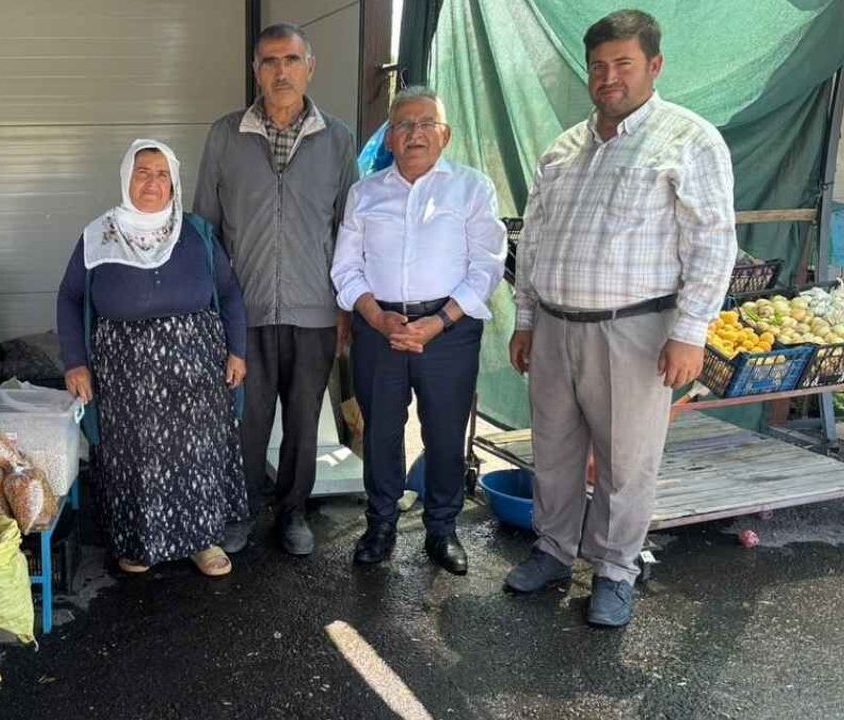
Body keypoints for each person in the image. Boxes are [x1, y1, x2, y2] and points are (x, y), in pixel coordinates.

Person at [507, 9, 737, 626]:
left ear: (654, 65)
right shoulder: (563, 149)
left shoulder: (688, 140)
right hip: (554, 325)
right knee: (553, 450)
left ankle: (614, 570)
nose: (609, 77)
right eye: (598, 66)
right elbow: (533, 241)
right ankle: (554, 549)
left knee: (626, 461)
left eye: (623, 64)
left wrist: (690, 332)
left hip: (635, 331)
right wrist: (525, 319)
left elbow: (713, 242)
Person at [194, 22, 359, 556]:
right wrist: (213, 308)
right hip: (245, 310)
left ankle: (292, 513)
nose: (280, 71)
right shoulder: (226, 135)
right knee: (246, 420)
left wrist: (346, 307)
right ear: (256, 70)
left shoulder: (337, 139)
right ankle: (240, 511)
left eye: (291, 59)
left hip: (315, 311)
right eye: (269, 61)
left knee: (304, 423)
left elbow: (350, 228)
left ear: (310, 67)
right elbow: (205, 229)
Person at [331, 87, 506, 574]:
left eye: (427, 123)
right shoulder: (366, 193)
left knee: (446, 434)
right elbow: (346, 267)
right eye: (404, 125)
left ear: (445, 135)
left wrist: (439, 321)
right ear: (389, 137)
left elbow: (487, 266)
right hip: (379, 329)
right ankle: (380, 524)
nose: (415, 133)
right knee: (381, 431)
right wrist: (375, 316)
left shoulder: (472, 189)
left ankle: (442, 529)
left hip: (449, 330)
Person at [56, 139, 249, 577]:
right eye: (143, 172)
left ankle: (202, 540)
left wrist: (237, 351)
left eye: (162, 174)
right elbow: (69, 297)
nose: (152, 182)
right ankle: (138, 542)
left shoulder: (197, 233)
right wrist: (75, 361)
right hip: (123, 372)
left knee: (196, 453)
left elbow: (229, 293)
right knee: (133, 455)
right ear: (127, 177)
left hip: (196, 368)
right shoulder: (99, 234)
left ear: (174, 183)